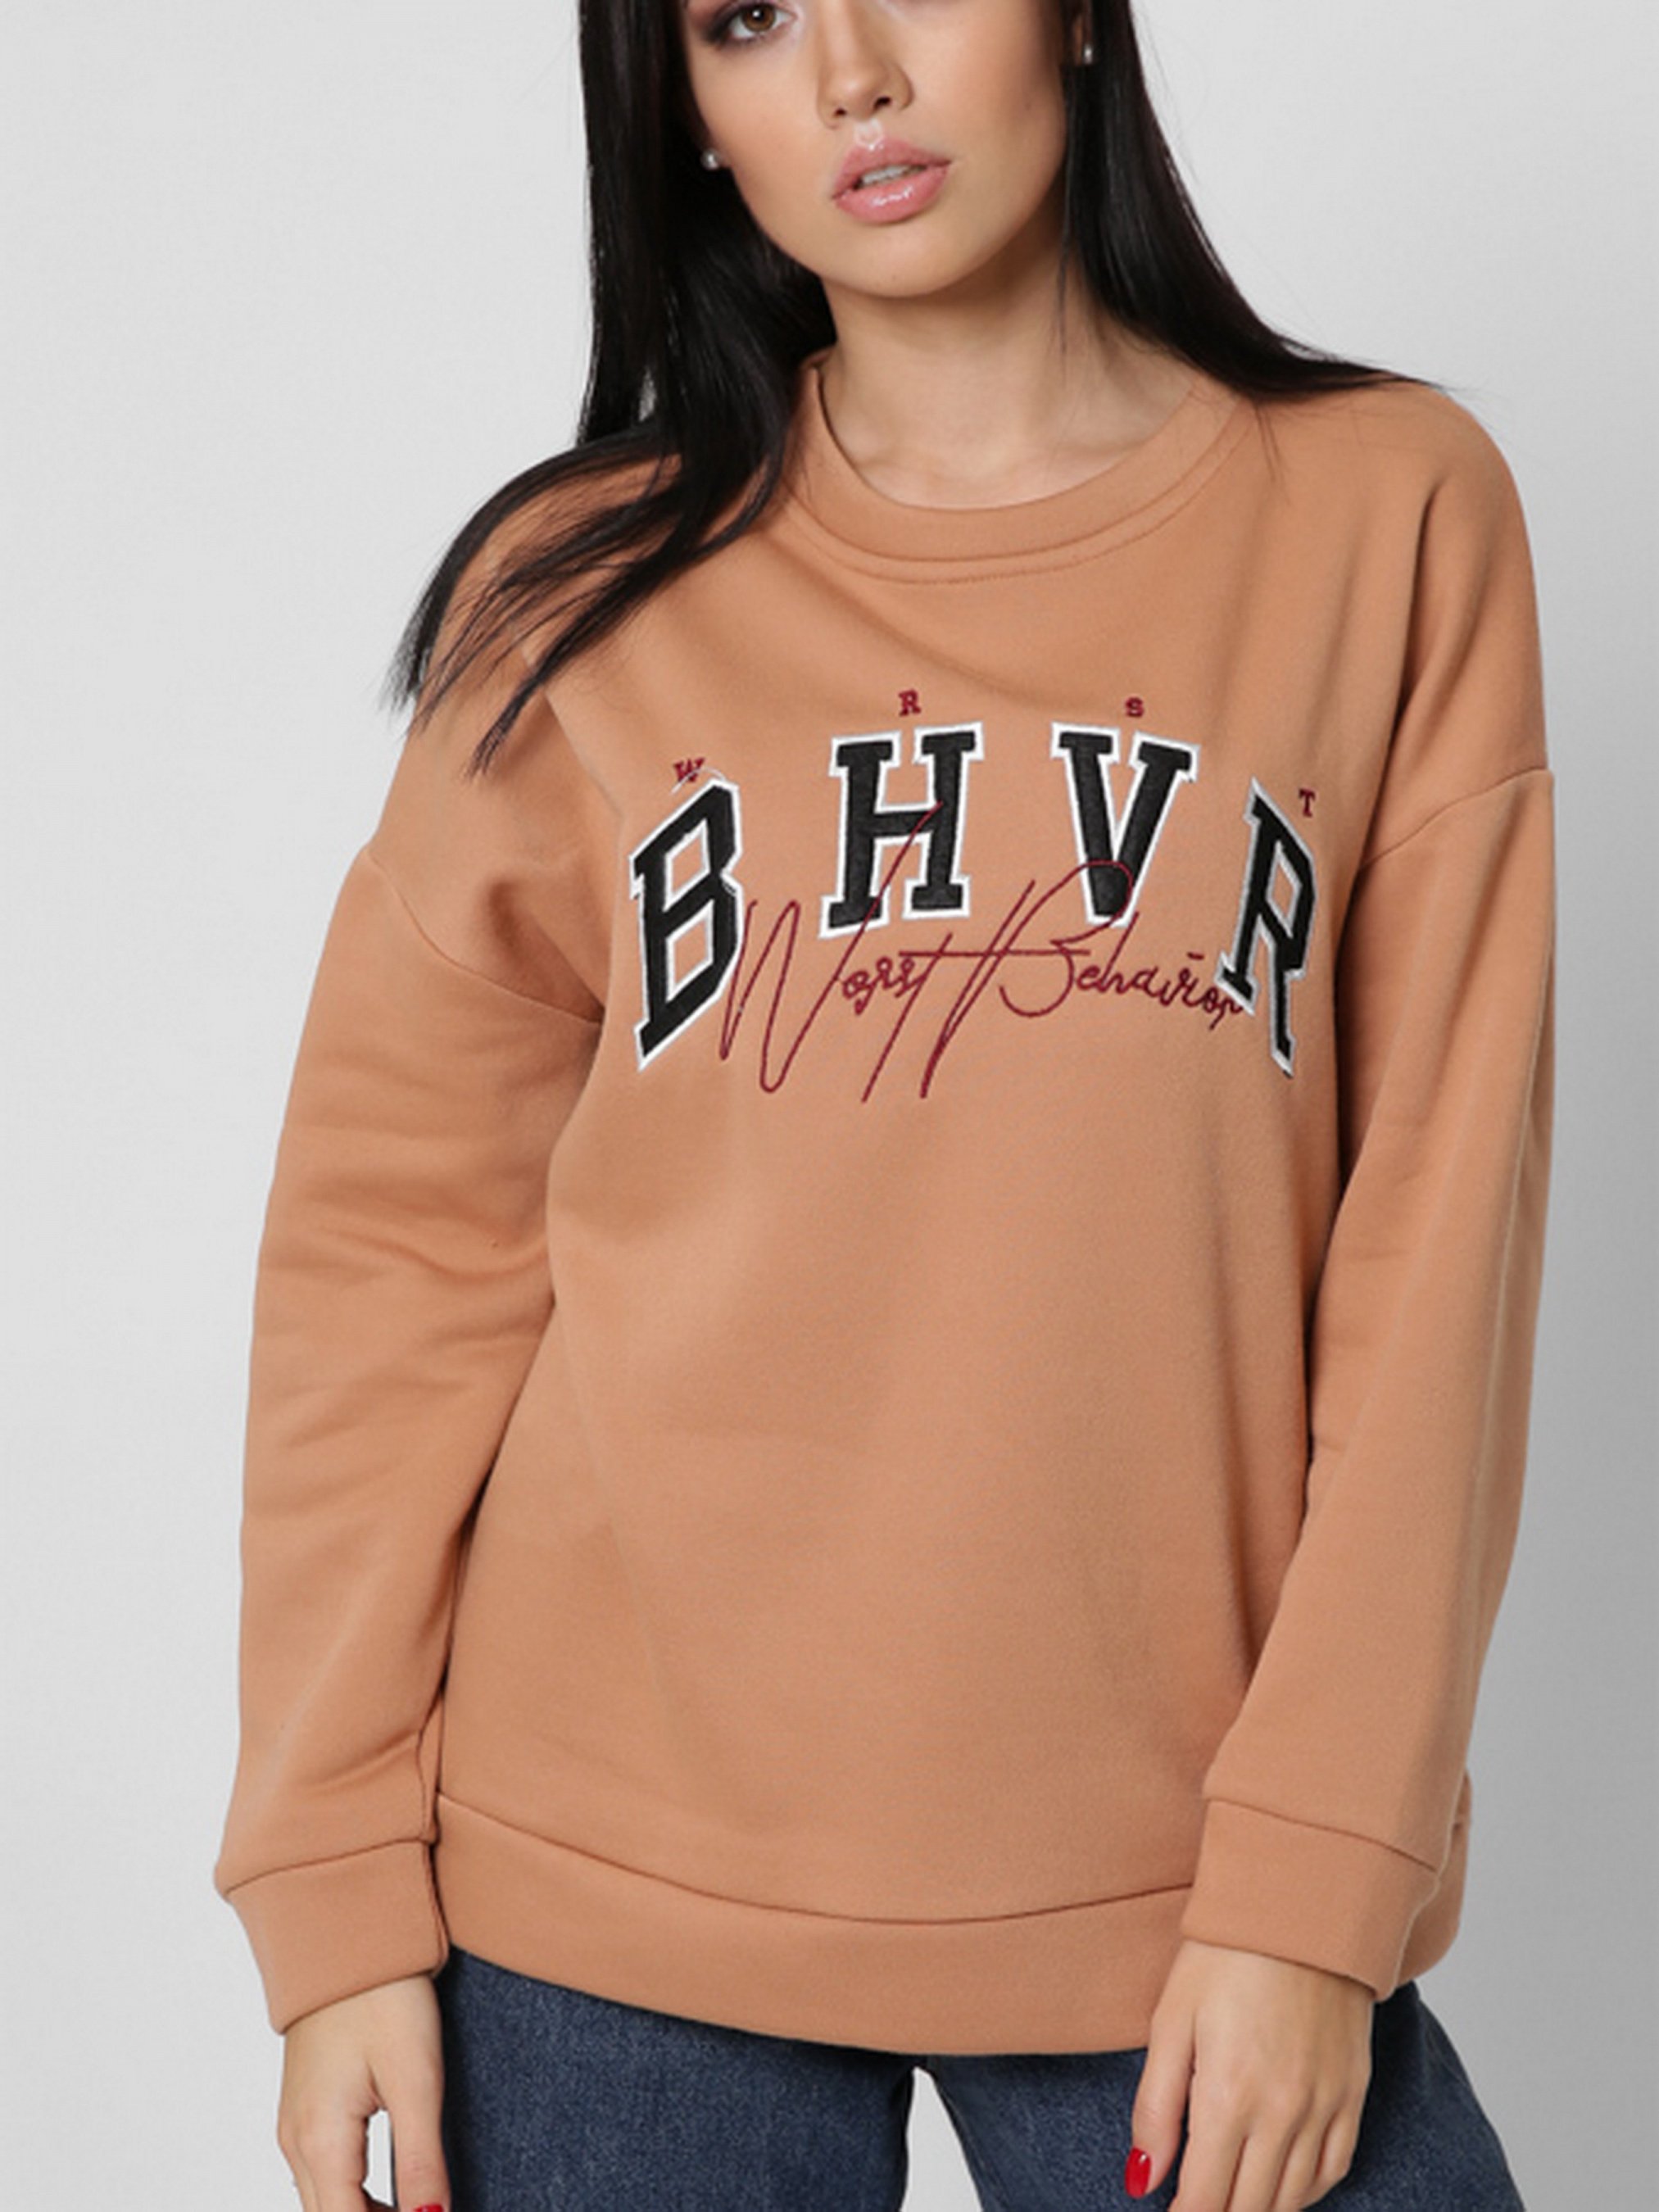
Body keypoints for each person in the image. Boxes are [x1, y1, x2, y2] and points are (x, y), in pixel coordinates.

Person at [211, 0, 1554, 2205]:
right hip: (592, 1888)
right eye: (742, 21)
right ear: (685, 116)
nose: (846, 69)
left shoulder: (1384, 511)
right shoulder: (577, 595)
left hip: (1180, 1885)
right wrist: (333, 1888)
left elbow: (1436, 1257)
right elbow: (390, 1271)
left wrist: (1316, 1890)